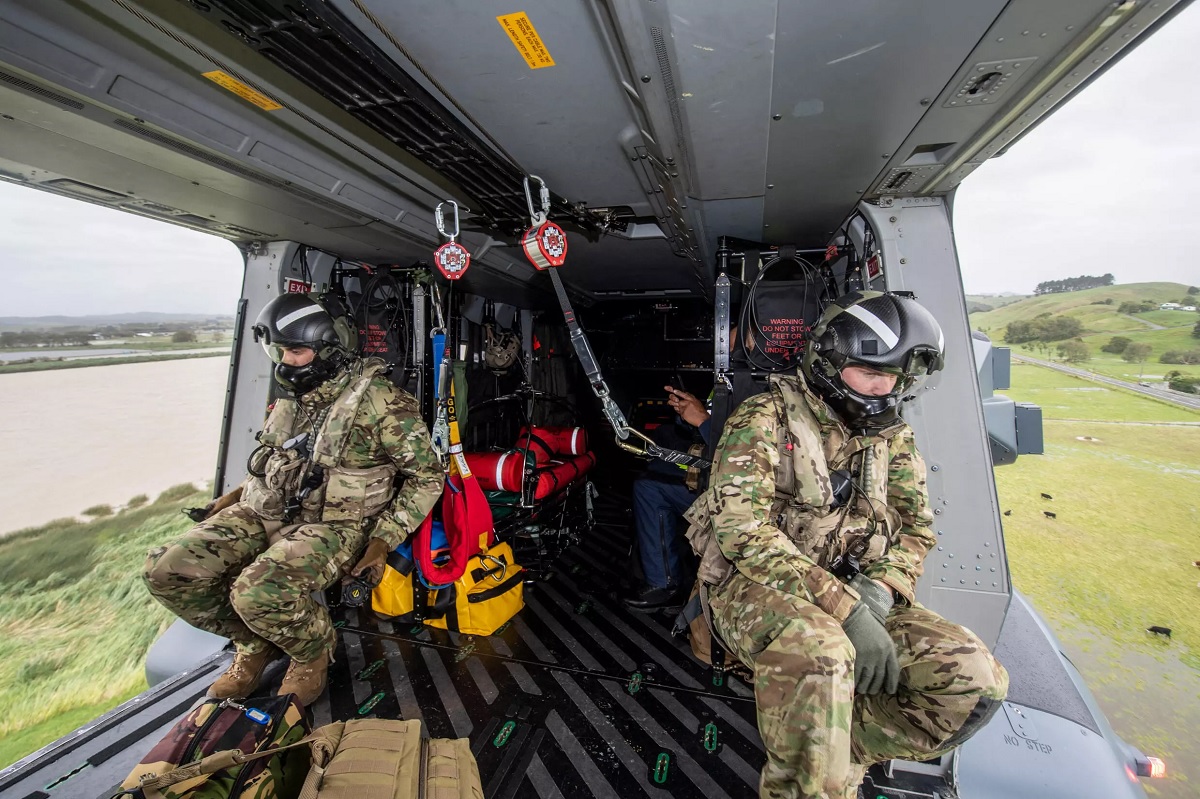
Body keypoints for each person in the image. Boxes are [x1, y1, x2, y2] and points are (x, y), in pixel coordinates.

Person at [686, 291, 1008, 799]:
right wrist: (848, 609)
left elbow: (916, 528)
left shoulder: (891, 437)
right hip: (751, 585)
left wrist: (879, 593)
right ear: (831, 362)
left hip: (860, 589)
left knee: (972, 676)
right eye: (872, 372)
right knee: (824, 651)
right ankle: (809, 778)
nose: (886, 388)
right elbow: (741, 531)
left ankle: (840, 748)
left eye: (895, 376)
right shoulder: (764, 418)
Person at [144, 294, 443, 705]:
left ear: (330, 348)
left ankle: (313, 652)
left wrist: (382, 540)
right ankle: (254, 643)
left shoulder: (385, 405)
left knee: (254, 592)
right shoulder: (292, 395)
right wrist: (230, 499)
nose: (286, 361)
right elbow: (271, 461)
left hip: (337, 526)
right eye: (280, 350)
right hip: (264, 509)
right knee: (167, 571)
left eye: (296, 350)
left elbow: (427, 477)